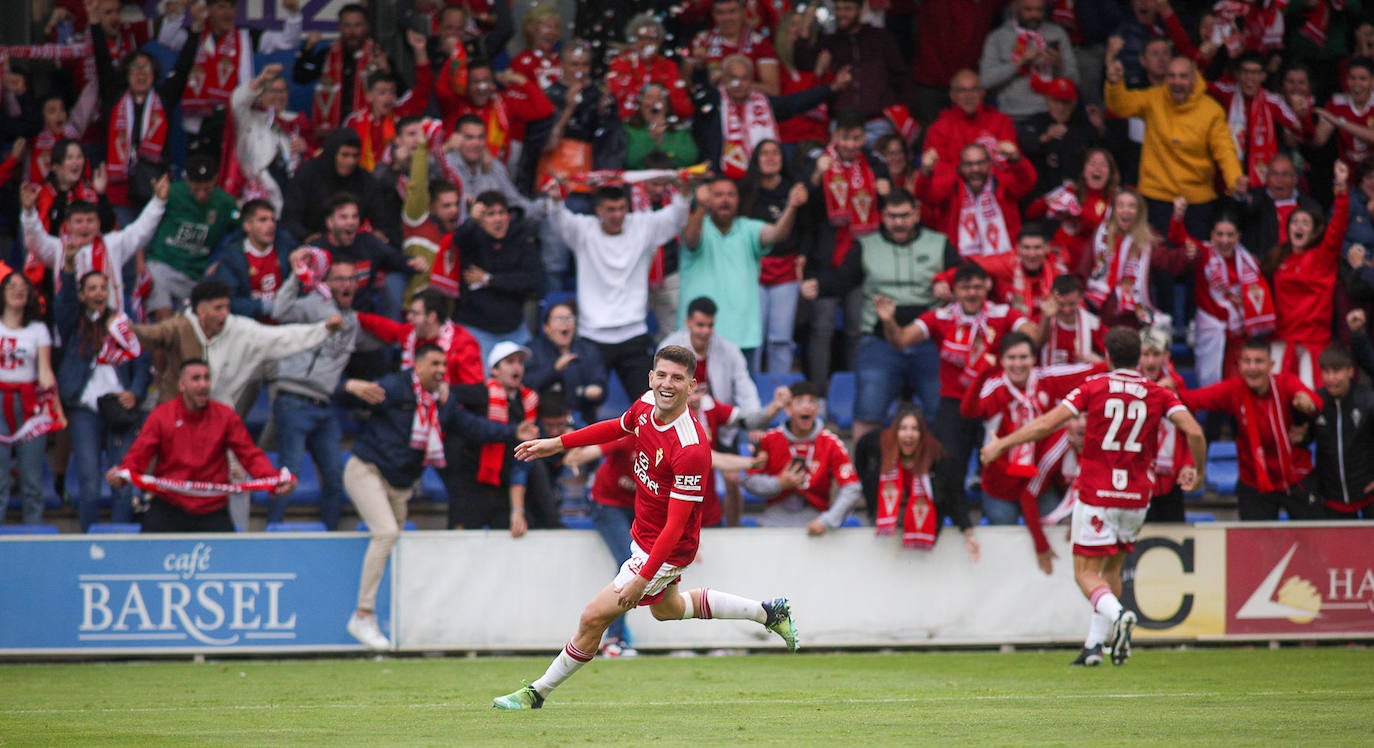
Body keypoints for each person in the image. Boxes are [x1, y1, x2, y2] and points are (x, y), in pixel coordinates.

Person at [492, 345, 799, 710]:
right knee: (667, 609)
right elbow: (615, 427)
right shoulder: (644, 406)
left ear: (692, 386)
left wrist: (643, 576)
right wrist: (556, 444)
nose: (668, 384)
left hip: (664, 549)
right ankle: (769, 612)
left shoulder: (691, 447)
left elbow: (676, 524)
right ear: (651, 378)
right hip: (644, 535)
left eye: (678, 378)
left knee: (593, 617)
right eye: (663, 376)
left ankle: (536, 693)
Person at [982, 326, 1206, 667]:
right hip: (1136, 496)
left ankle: (1119, 617)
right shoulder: (1159, 393)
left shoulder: (1094, 386)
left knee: (1084, 574)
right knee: (1111, 567)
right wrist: (1198, 471)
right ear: (1138, 358)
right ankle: (1094, 647)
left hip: (1098, 491)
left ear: (1108, 357)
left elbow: (1046, 424)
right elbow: (1194, 430)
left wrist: (1001, 444)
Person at [344, 343, 533, 649]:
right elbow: (344, 399)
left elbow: (474, 427)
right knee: (386, 532)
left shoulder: (441, 402)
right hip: (366, 469)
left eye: (444, 365)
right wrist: (349, 384)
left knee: (397, 543)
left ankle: (398, 620)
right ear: (417, 366)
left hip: (399, 483)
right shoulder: (395, 386)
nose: (441, 371)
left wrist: (513, 433)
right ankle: (363, 615)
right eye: (434, 364)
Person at [878, 261, 1040, 532]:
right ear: (954, 291)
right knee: (949, 465)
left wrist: (1040, 318)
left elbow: (1034, 339)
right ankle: (958, 525)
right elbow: (901, 340)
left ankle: (1000, 525)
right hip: (955, 403)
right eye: (965, 288)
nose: (972, 293)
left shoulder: (1003, 314)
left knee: (997, 465)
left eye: (978, 286)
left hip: (993, 402)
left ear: (987, 287)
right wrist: (888, 321)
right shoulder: (940, 317)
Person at [108, 359, 296, 532]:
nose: (203, 384)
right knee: (147, 559)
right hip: (169, 506)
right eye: (196, 379)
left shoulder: (226, 416)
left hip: (213, 508)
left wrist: (273, 479)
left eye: (207, 378)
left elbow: (250, 455)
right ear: (182, 385)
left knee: (228, 566)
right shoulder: (161, 416)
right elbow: (140, 454)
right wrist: (123, 474)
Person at [962, 333, 1096, 573]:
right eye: (1011, 358)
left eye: (1024, 357)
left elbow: (1099, 372)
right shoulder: (994, 387)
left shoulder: (1048, 379)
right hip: (1000, 488)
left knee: (1063, 531)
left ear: (1034, 359)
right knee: (1004, 550)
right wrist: (983, 372)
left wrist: (1096, 357)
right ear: (1001, 361)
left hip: (1039, 485)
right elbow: (969, 411)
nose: (1018, 363)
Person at [853, 188, 959, 442]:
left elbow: (965, 276)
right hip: (880, 340)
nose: (898, 222)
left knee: (939, 410)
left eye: (904, 215)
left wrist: (946, 282)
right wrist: (815, 283)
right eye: (892, 216)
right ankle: (859, 477)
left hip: (930, 340)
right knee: (868, 409)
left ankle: (937, 477)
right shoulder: (866, 245)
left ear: (916, 214)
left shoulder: (939, 242)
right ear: (882, 216)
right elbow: (841, 279)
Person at [268, 251, 364, 530]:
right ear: (328, 282)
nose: (347, 284)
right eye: (340, 279)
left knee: (336, 477)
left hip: (324, 405)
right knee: (290, 474)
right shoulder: (312, 305)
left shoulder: (354, 320)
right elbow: (279, 311)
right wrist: (294, 275)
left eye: (352, 279)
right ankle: (271, 533)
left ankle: (330, 535)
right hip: (293, 400)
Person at [1180, 338, 1323, 521]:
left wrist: (1308, 405)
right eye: (1247, 361)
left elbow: (1316, 402)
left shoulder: (1286, 383)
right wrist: (1162, 388)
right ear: (1239, 365)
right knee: (1255, 546)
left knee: (1312, 541)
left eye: (1259, 361)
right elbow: (1193, 399)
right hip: (1254, 481)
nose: (1252, 367)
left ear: (1271, 365)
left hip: (1296, 478)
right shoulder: (1233, 390)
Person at [1104, 54, 1244, 237]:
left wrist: (1235, 179)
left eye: (1183, 76)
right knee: (1157, 261)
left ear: (1194, 79)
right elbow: (1120, 106)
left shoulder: (1211, 110)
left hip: (1196, 203)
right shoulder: (1153, 98)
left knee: (1192, 261)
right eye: (1171, 76)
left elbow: (1225, 150)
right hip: (1155, 199)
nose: (1176, 82)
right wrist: (1115, 83)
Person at [55, 261, 149, 532]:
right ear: (82, 294)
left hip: (119, 408)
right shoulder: (72, 324)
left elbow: (142, 364)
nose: (98, 293)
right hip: (85, 410)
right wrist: (69, 267)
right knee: (89, 481)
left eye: (102, 288)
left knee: (122, 477)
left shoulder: (123, 324)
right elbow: (65, 301)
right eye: (92, 288)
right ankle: (88, 539)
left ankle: (121, 538)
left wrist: (136, 392)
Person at [680, 175, 806, 356]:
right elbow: (691, 239)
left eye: (731, 195)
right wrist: (700, 207)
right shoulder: (697, 226)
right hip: (698, 338)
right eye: (718, 195)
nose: (725, 200)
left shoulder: (748, 228)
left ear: (739, 200)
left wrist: (792, 206)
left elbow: (777, 234)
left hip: (742, 337)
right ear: (708, 199)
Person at [20, 174, 169, 312]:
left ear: (98, 224)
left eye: (90, 221)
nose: (85, 226)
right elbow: (35, 241)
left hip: (110, 329)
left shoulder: (112, 244)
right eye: (78, 221)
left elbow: (140, 231)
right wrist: (28, 212)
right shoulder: (59, 247)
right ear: (68, 225)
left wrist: (158, 202)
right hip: (73, 331)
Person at [1264, 161, 1351, 389]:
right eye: (1294, 222)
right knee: (1275, 398)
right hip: (1281, 342)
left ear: (1313, 231)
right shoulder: (1277, 259)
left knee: (1309, 401)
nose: (1298, 227)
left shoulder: (1322, 258)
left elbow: (1338, 227)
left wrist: (1341, 188)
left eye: (1304, 223)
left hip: (1313, 344)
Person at [1168, 202, 1274, 387]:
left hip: (1239, 335)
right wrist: (1178, 215)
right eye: (1220, 234)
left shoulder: (1251, 262)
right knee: (1211, 384)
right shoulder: (1203, 253)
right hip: (1212, 330)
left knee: (1239, 384)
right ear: (1211, 235)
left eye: (1230, 235)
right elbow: (1177, 237)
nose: (1225, 240)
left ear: (1238, 236)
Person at [851, 406, 979, 559]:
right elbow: (860, 461)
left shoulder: (937, 456)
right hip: (887, 526)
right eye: (903, 428)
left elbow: (954, 495)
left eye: (914, 429)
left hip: (926, 528)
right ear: (896, 433)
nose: (909, 434)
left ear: (922, 434)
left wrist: (968, 533)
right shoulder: (881, 451)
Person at [446, 342, 543, 532]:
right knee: (459, 546)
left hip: (504, 490)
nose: (517, 367)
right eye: (510, 362)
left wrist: (517, 508)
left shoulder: (528, 402)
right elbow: (475, 428)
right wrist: (512, 431)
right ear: (495, 370)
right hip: (471, 487)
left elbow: (524, 459)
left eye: (520, 362)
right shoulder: (478, 395)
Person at [744, 381, 863, 531]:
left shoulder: (831, 443)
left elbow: (852, 488)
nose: (807, 406)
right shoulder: (769, 440)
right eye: (800, 402)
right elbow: (749, 481)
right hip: (773, 520)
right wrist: (779, 483)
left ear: (818, 410)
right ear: (788, 409)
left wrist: (827, 521)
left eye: (812, 402)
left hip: (815, 519)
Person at [144, 155, 239, 320]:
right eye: (196, 189)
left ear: (215, 180)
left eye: (207, 189)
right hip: (162, 265)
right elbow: (144, 226)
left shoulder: (225, 203)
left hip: (197, 274)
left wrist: (221, 260)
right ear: (187, 179)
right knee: (165, 319)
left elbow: (241, 232)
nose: (201, 195)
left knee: (197, 323)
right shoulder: (171, 193)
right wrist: (140, 264)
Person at [453, 190, 545, 359]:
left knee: (528, 376)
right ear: (480, 220)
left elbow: (532, 279)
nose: (498, 219)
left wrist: (490, 280)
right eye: (490, 214)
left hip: (514, 328)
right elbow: (458, 238)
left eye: (502, 212)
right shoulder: (471, 239)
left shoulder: (520, 239)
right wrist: (471, 220)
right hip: (477, 329)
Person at [0, 272, 61, 526]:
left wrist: (56, 410)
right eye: (12, 286)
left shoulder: (38, 329)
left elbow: (45, 371)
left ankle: (33, 540)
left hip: (29, 404)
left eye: (23, 287)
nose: (18, 290)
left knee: (32, 479)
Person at [739, 139, 805, 374]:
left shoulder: (794, 190)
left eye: (775, 153)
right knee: (753, 336)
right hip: (753, 272)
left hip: (786, 272)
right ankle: (751, 389)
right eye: (764, 153)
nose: (770, 158)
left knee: (780, 338)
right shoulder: (744, 191)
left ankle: (780, 387)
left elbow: (807, 228)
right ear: (756, 160)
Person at [917, 141, 1037, 259]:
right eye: (969, 164)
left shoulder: (1002, 183)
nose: (975, 169)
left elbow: (1028, 181)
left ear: (989, 164)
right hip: (961, 262)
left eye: (980, 163)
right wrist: (926, 169)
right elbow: (925, 195)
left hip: (1004, 261)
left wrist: (1016, 158)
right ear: (960, 167)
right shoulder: (950, 186)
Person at [355, 289, 484, 387]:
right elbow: (387, 328)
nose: (408, 317)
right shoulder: (412, 332)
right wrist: (355, 316)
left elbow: (475, 391)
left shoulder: (463, 344)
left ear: (431, 317)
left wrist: (441, 390)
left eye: (415, 313)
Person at [979, 0, 1080, 122]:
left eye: (1039, 10)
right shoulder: (998, 37)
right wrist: (1020, 62)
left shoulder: (1057, 33)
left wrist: (1059, 65)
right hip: (1014, 115)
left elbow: (1076, 80)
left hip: (1052, 114)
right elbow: (986, 81)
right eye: (1028, 10)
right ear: (1015, 8)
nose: (1034, 15)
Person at [206, 199, 297, 322]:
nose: (271, 225)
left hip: (285, 326)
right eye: (263, 220)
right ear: (247, 225)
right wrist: (267, 306)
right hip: (249, 329)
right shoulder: (232, 258)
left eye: (273, 220)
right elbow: (228, 301)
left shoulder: (286, 249)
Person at [1310, 345, 1374, 519]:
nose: (1331, 378)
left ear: (1350, 371)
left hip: (1369, 499)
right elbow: (1303, 441)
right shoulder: (1316, 402)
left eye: (1336, 371)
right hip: (1332, 501)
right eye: (1326, 372)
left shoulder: (1368, 401)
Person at [524, 301, 607, 427]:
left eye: (569, 318)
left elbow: (600, 384)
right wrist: (554, 370)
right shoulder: (532, 350)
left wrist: (596, 391)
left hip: (581, 419)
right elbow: (527, 384)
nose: (565, 323)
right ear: (546, 328)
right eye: (559, 319)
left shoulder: (588, 350)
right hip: (543, 422)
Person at [606, 14, 694, 122]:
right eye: (641, 38)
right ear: (632, 41)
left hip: (664, 124)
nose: (646, 43)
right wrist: (658, 101)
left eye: (651, 38)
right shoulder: (620, 64)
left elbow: (684, 108)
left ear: (659, 42)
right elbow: (622, 106)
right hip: (629, 126)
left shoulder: (669, 65)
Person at [1039, 274, 1105, 366]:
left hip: (1081, 379)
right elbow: (1033, 347)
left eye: (1072, 304)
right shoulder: (1042, 320)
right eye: (1061, 304)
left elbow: (1113, 362)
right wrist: (1045, 319)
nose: (1066, 310)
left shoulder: (1094, 325)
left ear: (1080, 298)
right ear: (1052, 298)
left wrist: (1097, 362)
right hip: (1048, 378)